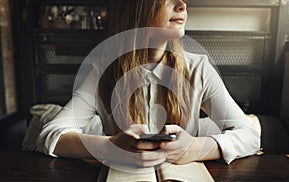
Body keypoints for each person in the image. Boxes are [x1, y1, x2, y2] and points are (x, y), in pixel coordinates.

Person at [36, 0, 260, 167]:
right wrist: (112, 147)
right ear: (136, 7)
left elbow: (249, 135)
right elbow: (50, 134)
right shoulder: (103, 72)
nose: (182, 4)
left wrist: (195, 148)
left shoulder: (198, 69)